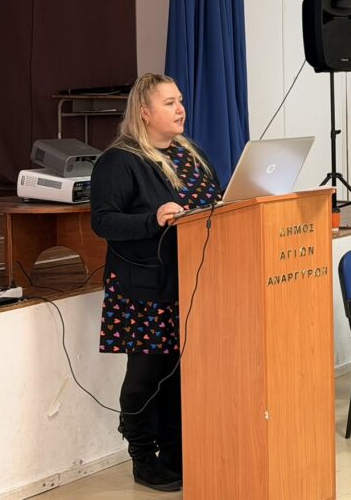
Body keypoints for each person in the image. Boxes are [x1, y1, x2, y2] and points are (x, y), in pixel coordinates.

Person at [90, 73, 220, 492]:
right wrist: (154, 218)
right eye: (169, 103)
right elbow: (103, 222)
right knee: (147, 374)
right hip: (142, 286)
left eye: (180, 100)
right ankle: (143, 458)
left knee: (179, 371)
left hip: (190, 279)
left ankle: (176, 453)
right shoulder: (119, 160)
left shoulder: (190, 153)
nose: (180, 109)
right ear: (144, 113)